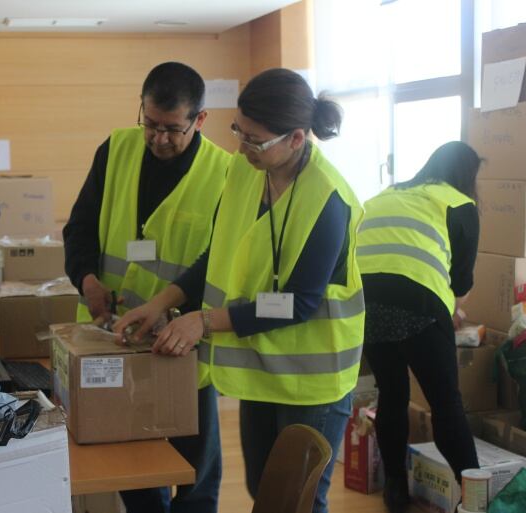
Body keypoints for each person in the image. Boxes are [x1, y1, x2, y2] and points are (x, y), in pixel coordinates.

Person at [115, 68, 365, 513]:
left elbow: (299, 303)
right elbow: (218, 254)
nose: (242, 147)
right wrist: (161, 304)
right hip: (263, 371)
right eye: (239, 132)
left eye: (255, 140)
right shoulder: (246, 172)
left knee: (298, 502)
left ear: (296, 138)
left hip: (313, 384)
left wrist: (204, 321)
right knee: (261, 490)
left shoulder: (328, 200)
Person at [62, 62, 230, 513]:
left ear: (200, 119)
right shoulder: (115, 149)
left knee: (196, 477)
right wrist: (86, 278)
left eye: (172, 129)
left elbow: (221, 262)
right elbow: (78, 229)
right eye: (150, 124)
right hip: (113, 339)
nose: (159, 138)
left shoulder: (226, 173)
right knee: (135, 469)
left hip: (183, 347)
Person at [356, 141, 482, 513]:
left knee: (392, 392)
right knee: (446, 404)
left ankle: (395, 489)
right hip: (419, 304)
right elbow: (460, 283)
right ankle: (475, 495)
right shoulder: (460, 204)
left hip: (364, 304)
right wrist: (453, 312)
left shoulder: (386, 194)